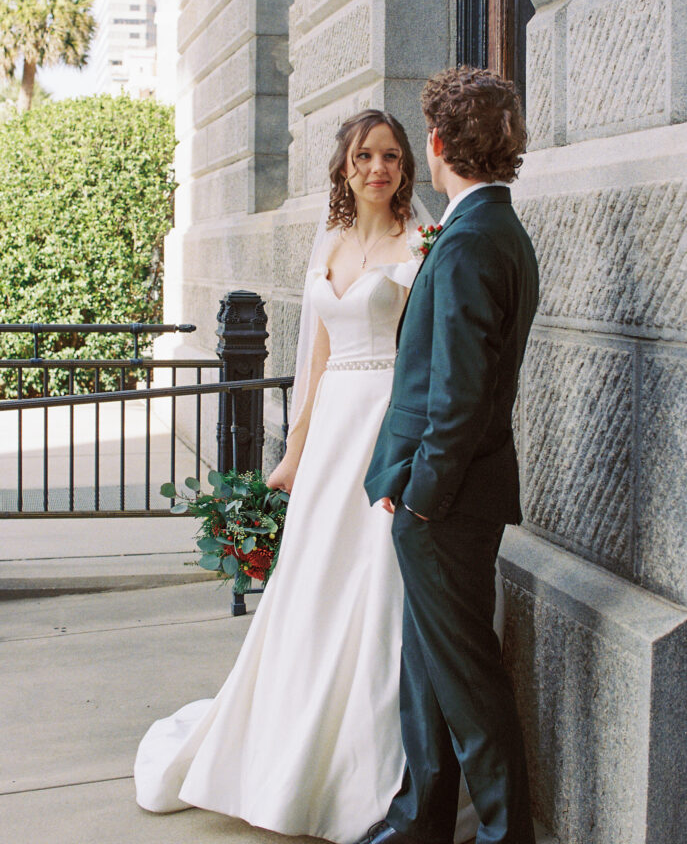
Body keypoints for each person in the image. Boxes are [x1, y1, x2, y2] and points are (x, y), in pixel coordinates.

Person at [134, 109, 482, 843]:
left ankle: (375, 775)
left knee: (377, 586)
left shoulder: (424, 244)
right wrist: (292, 455)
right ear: (344, 168)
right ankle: (283, 749)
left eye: (389, 156)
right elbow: (316, 361)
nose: (377, 169)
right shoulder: (327, 243)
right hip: (329, 441)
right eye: (364, 157)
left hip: (390, 424)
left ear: (405, 168)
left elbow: (434, 357)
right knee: (314, 582)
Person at [361, 67, 539, 844]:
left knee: (466, 679)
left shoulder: (471, 241)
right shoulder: (489, 228)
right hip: (446, 496)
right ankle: (417, 821)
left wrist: (423, 494)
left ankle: (505, 835)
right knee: (427, 668)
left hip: (447, 502)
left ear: (435, 145)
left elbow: (459, 395)